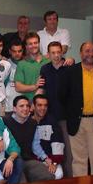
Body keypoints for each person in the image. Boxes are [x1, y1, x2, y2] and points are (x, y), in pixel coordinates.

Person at [58, 41, 93, 177]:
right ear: (81, 53)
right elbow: (62, 95)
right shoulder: (70, 71)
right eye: (87, 51)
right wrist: (71, 112)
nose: (90, 54)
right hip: (77, 121)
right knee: (79, 160)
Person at [39, 41, 73, 177]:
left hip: (66, 117)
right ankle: (52, 175)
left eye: (58, 52)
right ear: (48, 54)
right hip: (48, 116)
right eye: (53, 53)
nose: (56, 55)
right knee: (50, 148)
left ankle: (69, 179)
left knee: (68, 152)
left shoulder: (69, 68)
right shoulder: (45, 69)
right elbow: (41, 89)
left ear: (62, 52)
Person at [3, 95, 55, 182]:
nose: (25, 108)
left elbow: (35, 145)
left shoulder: (33, 123)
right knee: (22, 183)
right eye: (21, 106)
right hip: (11, 161)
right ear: (14, 109)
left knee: (48, 176)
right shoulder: (4, 121)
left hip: (27, 160)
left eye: (27, 106)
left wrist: (46, 158)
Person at [31, 95, 65, 180]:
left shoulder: (52, 122)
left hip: (50, 160)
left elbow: (58, 144)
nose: (43, 108)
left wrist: (54, 163)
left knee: (58, 174)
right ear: (33, 106)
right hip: (33, 161)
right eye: (39, 105)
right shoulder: (27, 121)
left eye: (45, 105)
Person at [14, 32, 49, 101]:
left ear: (39, 44)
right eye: (30, 44)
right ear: (26, 46)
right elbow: (18, 87)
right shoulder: (22, 64)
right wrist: (35, 86)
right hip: (28, 105)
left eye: (35, 43)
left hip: (46, 105)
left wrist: (71, 60)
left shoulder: (48, 61)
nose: (33, 45)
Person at [5, 39, 24, 113]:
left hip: (23, 108)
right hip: (7, 107)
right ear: (10, 51)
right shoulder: (5, 64)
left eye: (19, 51)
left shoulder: (26, 65)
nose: (17, 53)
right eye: (14, 51)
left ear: (23, 51)